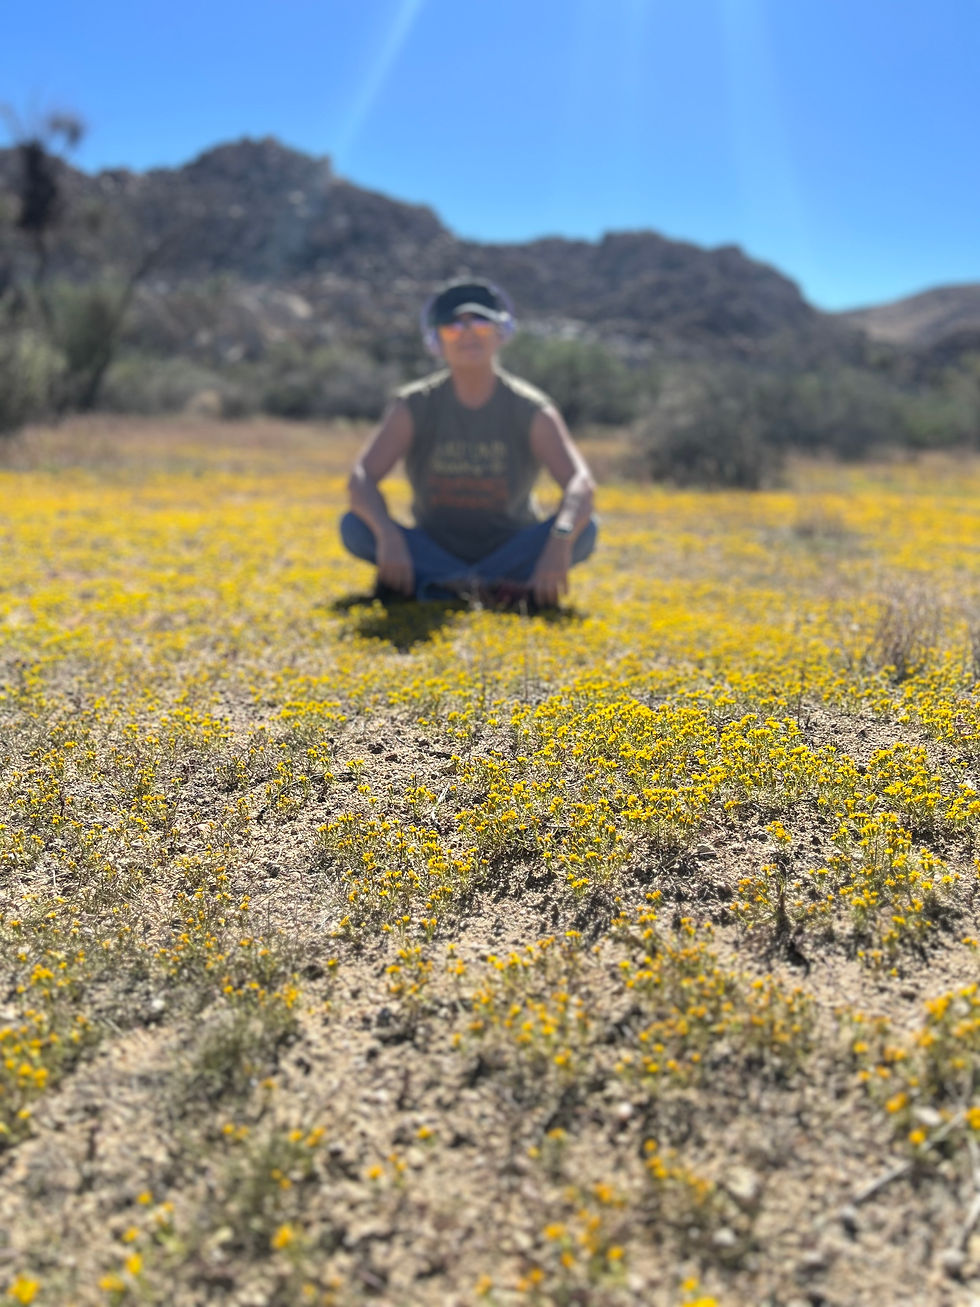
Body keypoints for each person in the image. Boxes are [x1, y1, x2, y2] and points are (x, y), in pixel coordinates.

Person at [341, 278, 597, 607]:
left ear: (501, 333)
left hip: (511, 546)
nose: (467, 334)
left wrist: (559, 541)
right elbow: (361, 477)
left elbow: (580, 483)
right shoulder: (416, 404)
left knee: (584, 531)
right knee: (356, 527)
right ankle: (493, 588)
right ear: (436, 341)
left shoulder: (531, 408)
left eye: (480, 323)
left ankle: (443, 585)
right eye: (452, 327)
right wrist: (389, 537)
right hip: (434, 545)